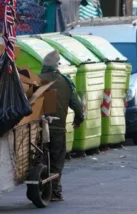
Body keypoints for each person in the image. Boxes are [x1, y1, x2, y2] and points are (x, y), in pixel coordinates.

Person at [38, 50, 85, 201]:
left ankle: (42, 187)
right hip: (58, 128)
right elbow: (76, 105)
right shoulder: (66, 81)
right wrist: (79, 119)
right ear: (57, 65)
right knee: (57, 158)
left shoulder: (36, 80)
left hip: (37, 129)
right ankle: (55, 191)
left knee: (40, 157)